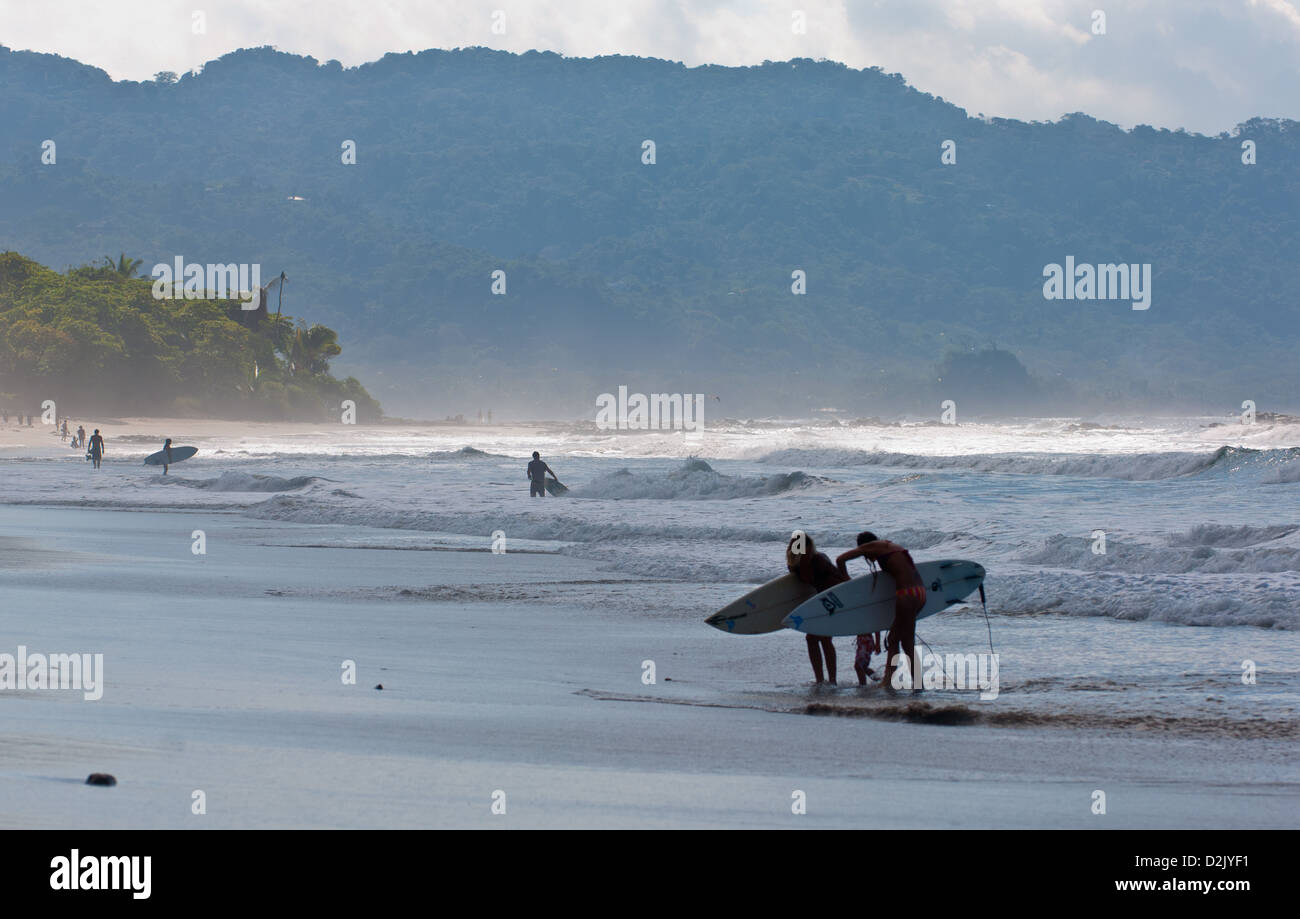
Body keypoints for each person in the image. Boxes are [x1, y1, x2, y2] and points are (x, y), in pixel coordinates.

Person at [836, 532, 925, 690]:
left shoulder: (870, 547)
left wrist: (846, 581)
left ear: (864, 546)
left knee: (893, 640)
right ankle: (917, 683)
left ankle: (888, 681)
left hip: (906, 595)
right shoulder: (891, 547)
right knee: (905, 641)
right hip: (919, 593)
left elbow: (840, 559)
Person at [786, 532, 844, 685]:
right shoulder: (797, 564)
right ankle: (820, 680)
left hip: (834, 599)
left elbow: (810, 578)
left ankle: (832, 681)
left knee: (824, 638)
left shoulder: (818, 559)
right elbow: (804, 584)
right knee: (812, 639)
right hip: (819, 601)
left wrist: (804, 558)